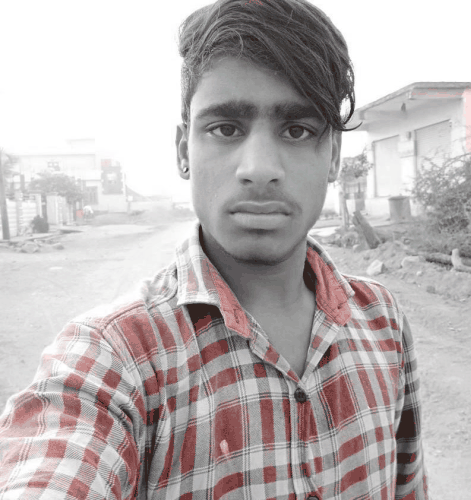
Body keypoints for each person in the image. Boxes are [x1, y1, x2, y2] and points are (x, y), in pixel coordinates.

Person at [0, 0, 428, 498]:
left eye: (297, 130)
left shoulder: (383, 320)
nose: (259, 168)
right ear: (184, 150)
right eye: (226, 128)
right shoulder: (115, 356)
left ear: (332, 155)